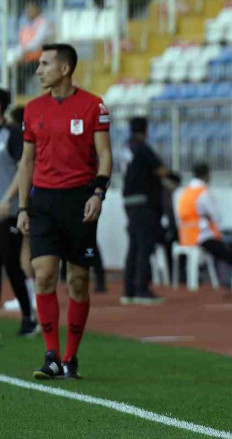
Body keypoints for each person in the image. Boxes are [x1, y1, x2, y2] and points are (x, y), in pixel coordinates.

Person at [17, 44, 112, 380]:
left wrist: (98, 193)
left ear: (65, 68)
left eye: (45, 64)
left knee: (78, 280)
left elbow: (105, 155)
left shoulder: (93, 106)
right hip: (42, 201)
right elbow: (27, 160)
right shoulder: (32, 109)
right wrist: (23, 206)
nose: (39, 70)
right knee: (43, 274)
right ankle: (51, 355)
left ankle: (71, 357)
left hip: (78, 200)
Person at [121, 117, 174, 305]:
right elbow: (161, 170)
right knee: (144, 245)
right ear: (145, 130)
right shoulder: (142, 147)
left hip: (128, 201)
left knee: (134, 245)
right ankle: (142, 289)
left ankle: (129, 290)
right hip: (143, 202)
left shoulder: (127, 148)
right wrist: (174, 177)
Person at [0, 88, 37, 336]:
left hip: (9, 209)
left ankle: (28, 316)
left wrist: (8, 198)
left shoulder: (12, 134)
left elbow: (24, 168)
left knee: (11, 263)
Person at [177, 163, 232, 267]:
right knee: (231, 250)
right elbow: (216, 216)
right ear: (207, 175)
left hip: (186, 237)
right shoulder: (203, 192)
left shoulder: (186, 192)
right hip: (203, 236)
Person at [7, 2, 53, 95]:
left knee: (20, 74)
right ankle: (13, 99)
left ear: (37, 9)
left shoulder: (43, 23)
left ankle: (21, 98)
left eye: (30, 9)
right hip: (26, 59)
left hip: (39, 60)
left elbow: (37, 43)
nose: (27, 12)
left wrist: (23, 53)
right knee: (9, 72)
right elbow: (21, 45)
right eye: (26, 9)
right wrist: (17, 57)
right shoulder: (27, 25)